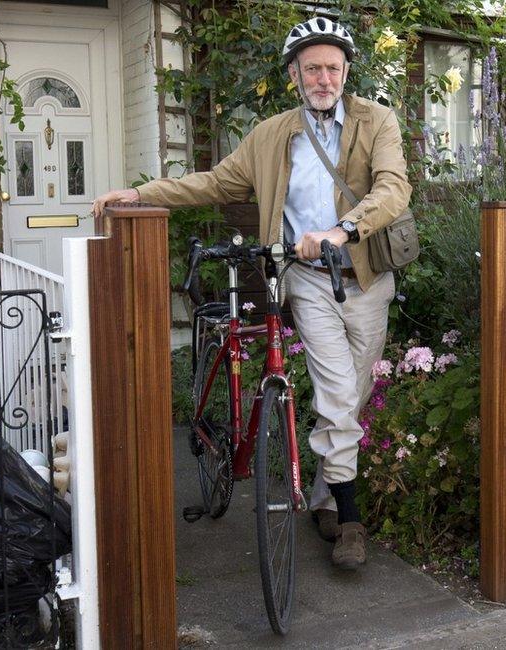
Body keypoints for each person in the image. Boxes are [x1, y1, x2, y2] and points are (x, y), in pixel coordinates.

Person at [92, 17, 411, 569]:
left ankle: (323, 497)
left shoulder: (376, 121)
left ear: (346, 71)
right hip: (306, 281)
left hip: (365, 278)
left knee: (351, 396)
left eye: (333, 68)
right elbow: (214, 182)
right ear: (294, 74)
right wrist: (141, 192)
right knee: (337, 395)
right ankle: (350, 521)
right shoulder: (271, 135)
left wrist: (341, 231)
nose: (323, 78)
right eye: (312, 68)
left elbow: (393, 187)